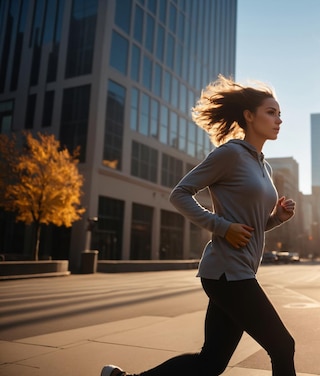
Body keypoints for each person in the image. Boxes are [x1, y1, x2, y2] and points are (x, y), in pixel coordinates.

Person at [101, 76, 297, 376]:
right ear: (248, 115)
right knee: (282, 346)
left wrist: (276, 219)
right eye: (271, 112)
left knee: (210, 363)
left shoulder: (264, 166)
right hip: (227, 273)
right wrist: (221, 227)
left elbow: (248, 228)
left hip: (237, 271)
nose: (278, 119)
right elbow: (179, 193)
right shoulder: (230, 154)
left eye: (279, 113)